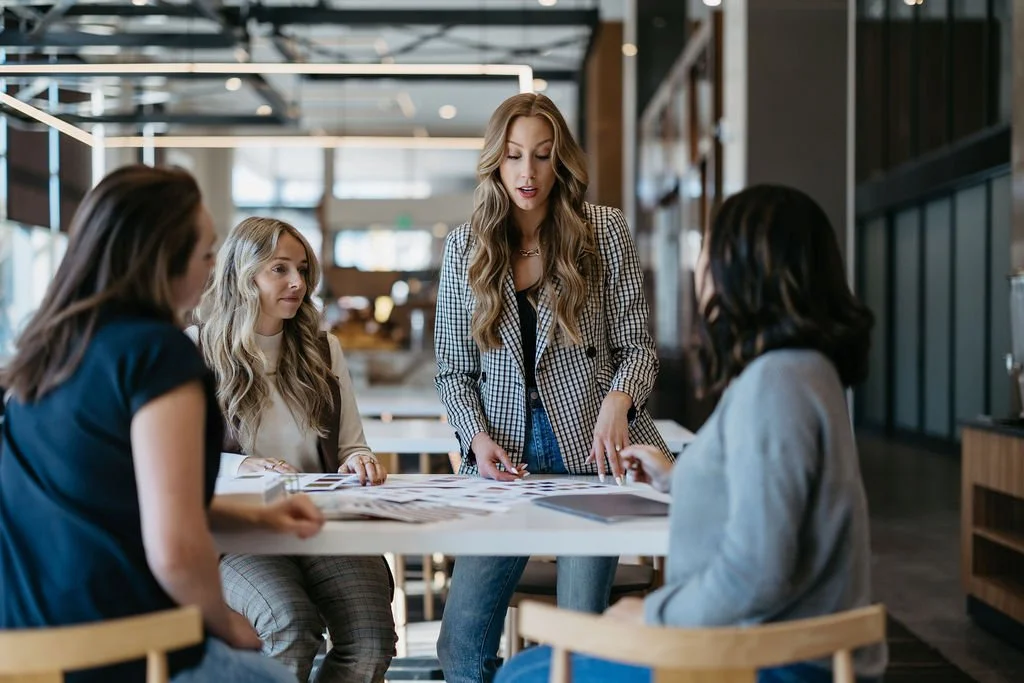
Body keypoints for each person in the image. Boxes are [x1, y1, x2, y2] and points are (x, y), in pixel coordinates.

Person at [494, 185, 888, 683]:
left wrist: (654, 616)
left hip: (763, 662)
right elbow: (774, 500)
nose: (701, 265)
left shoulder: (775, 383)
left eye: (709, 251)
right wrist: (677, 479)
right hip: (785, 652)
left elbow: (757, 572)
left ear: (743, 269)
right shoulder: (806, 372)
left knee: (520, 676)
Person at [0, 165, 324, 683]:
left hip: (26, 649)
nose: (215, 268)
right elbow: (174, 547)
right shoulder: (157, 355)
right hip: (122, 649)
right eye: (205, 254)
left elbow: (112, 498)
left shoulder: (45, 351)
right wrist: (226, 624)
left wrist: (257, 518)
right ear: (163, 263)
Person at [433, 92, 670, 683]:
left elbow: (638, 346)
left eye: (541, 156)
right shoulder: (466, 246)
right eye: (513, 156)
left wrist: (619, 400)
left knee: (579, 647)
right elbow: (453, 371)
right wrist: (476, 436)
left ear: (560, 160)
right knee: (460, 645)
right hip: (502, 465)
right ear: (496, 161)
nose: (527, 172)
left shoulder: (604, 232)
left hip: (590, 458)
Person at [191, 216, 397, 683]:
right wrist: (245, 465)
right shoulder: (197, 351)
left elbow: (352, 445)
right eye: (279, 269)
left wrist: (359, 459)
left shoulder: (324, 350)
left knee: (372, 639)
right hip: (237, 535)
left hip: (319, 523)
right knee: (291, 625)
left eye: (302, 269)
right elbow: (182, 466)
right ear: (244, 275)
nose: (297, 283)